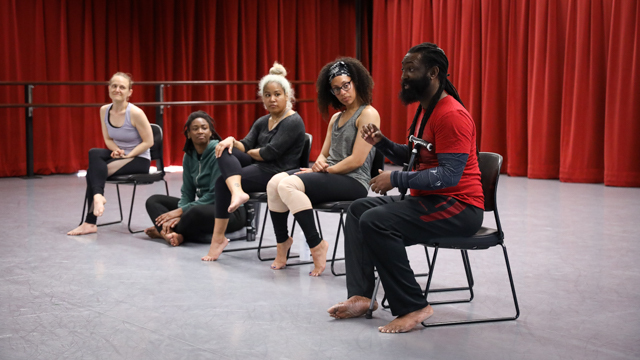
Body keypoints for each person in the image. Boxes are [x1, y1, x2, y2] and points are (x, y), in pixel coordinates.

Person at [327, 43, 484, 333]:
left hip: (459, 207)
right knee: (359, 210)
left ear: (434, 73)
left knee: (377, 221)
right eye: (403, 70)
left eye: (411, 69)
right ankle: (362, 295)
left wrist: (396, 179)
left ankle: (413, 306)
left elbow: (449, 176)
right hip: (432, 201)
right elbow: (413, 156)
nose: (404, 76)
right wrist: (382, 143)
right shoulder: (426, 110)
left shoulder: (451, 114)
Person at [266, 58, 380, 276]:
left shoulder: (368, 113)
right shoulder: (336, 117)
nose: (342, 92)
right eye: (336, 89)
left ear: (356, 82)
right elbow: (324, 154)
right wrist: (318, 164)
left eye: (346, 85)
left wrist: (325, 170)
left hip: (354, 181)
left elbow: (357, 160)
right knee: (274, 183)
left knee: (288, 185)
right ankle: (283, 243)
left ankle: (316, 244)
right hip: (333, 175)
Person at [201, 62, 306, 261]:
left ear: (287, 96)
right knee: (223, 148)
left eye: (277, 94)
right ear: (262, 98)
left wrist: (250, 150)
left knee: (221, 183)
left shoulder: (293, 121)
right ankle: (236, 194)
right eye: (267, 95)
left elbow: (269, 153)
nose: (272, 99)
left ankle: (219, 236)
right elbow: (246, 144)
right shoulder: (262, 121)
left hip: (280, 172)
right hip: (261, 167)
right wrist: (231, 140)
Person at [67, 72, 153, 236]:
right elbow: (107, 138)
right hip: (121, 155)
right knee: (94, 153)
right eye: (114, 86)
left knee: (92, 173)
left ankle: (90, 221)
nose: (117, 89)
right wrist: (116, 150)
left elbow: (148, 142)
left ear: (129, 92)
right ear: (109, 89)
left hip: (139, 158)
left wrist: (129, 155)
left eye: (122, 87)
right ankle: (98, 198)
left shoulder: (135, 113)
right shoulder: (104, 110)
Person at [143, 111, 246, 246]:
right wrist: (181, 212)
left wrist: (181, 212)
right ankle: (171, 234)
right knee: (153, 201)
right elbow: (187, 192)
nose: (200, 131)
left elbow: (214, 195)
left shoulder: (219, 153)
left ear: (211, 132)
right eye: (195, 129)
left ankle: (164, 233)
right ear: (188, 134)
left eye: (204, 128)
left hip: (229, 211)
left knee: (194, 212)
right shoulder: (189, 156)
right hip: (204, 208)